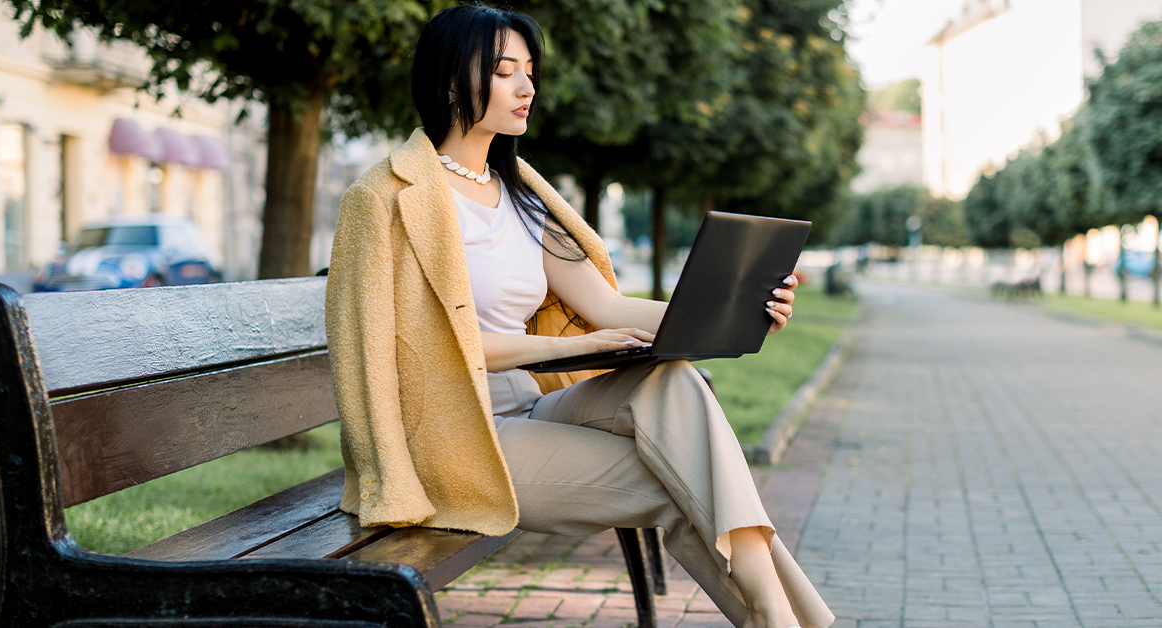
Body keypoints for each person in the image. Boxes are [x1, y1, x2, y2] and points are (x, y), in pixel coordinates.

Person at [325, 5, 833, 628]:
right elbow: (417, 350)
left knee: (673, 385)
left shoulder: (521, 193)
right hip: (451, 437)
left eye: (530, 72)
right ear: (452, 82)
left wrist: (737, 306)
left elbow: (607, 307)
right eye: (505, 71)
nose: (526, 87)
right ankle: (785, 620)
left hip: (530, 406)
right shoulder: (383, 200)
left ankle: (774, 620)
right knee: (693, 480)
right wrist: (564, 352)